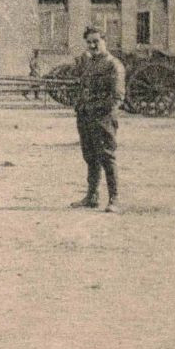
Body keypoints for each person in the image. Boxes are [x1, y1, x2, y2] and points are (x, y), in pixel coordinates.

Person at [71, 25, 126, 212]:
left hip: (103, 119)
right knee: (90, 157)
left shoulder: (114, 65)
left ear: (105, 41)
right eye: (89, 42)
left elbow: (117, 97)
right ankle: (92, 197)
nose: (93, 45)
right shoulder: (88, 63)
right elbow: (82, 87)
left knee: (107, 157)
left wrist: (98, 111)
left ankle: (114, 200)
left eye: (96, 41)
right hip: (85, 117)